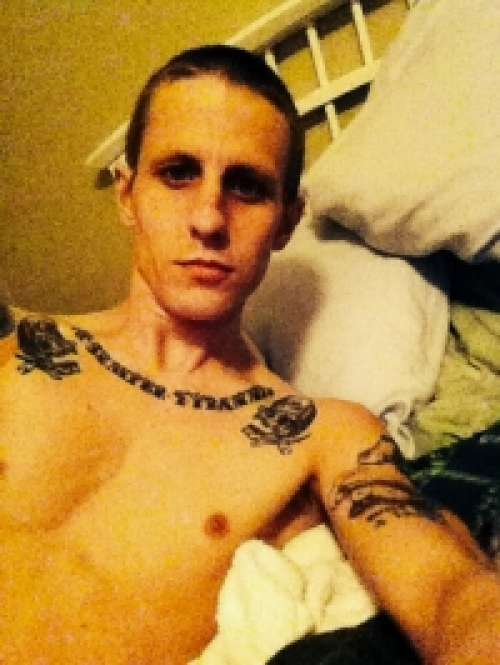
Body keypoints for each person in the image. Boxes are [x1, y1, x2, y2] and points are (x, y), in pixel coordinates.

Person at [0, 45, 499, 665]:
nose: (209, 218)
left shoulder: (320, 435)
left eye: (247, 186)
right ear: (128, 195)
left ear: (287, 222)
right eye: (178, 173)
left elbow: (451, 592)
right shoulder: (18, 348)